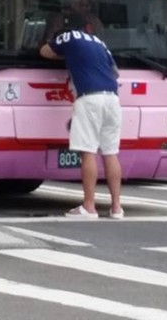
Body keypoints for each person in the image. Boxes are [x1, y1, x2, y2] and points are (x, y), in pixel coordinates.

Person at [40, 13, 124, 219]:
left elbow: (45, 52)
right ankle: (116, 207)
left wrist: (65, 54)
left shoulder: (68, 38)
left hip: (90, 99)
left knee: (88, 152)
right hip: (112, 99)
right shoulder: (100, 42)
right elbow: (116, 72)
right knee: (110, 153)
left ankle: (89, 206)